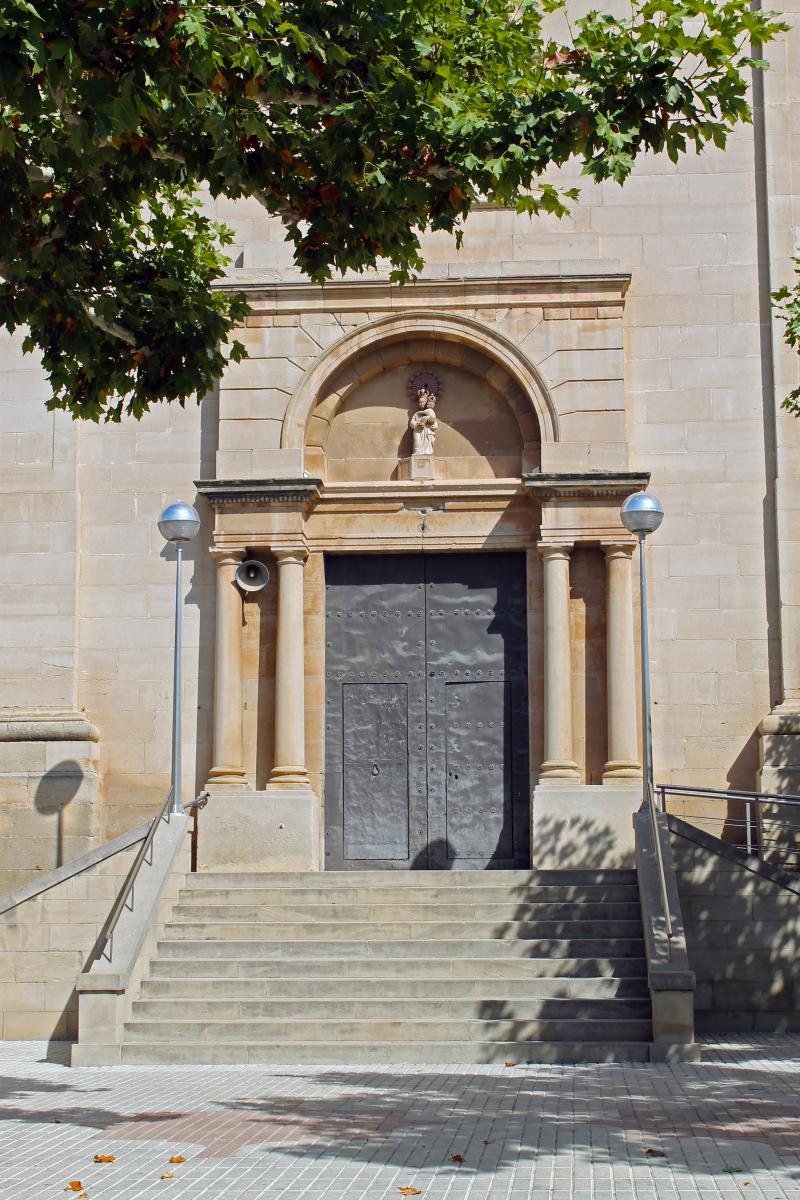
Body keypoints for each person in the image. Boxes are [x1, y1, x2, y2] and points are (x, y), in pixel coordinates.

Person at [410, 385, 439, 455]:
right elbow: (411, 424)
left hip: (427, 433)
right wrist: (417, 424)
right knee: (417, 445)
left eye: (423, 402)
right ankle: (417, 453)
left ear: (426, 402)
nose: (421, 404)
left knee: (428, 451)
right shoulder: (416, 414)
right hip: (418, 432)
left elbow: (435, 425)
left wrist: (428, 421)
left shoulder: (430, 412)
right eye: (420, 402)